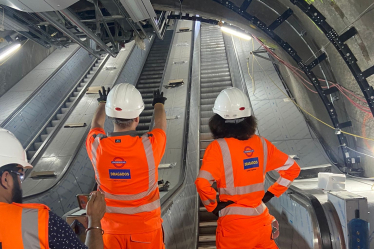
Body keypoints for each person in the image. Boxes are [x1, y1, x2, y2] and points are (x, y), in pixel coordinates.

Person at [195, 87, 301, 249]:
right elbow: (293, 168)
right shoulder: (261, 143)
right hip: (262, 221)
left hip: (235, 227)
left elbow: (202, 183)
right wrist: (271, 193)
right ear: (249, 119)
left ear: (217, 120)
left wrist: (213, 207)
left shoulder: (218, 148)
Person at [86, 83, 167, 249]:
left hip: (109, 234)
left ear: (110, 116)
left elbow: (96, 124)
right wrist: (159, 103)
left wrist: (102, 103)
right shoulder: (149, 147)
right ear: (137, 118)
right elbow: (160, 125)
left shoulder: (97, 147)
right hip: (146, 232)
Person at [0, 128, 106, 249]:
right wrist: (94, 220)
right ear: (6, 179)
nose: (20, 182)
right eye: (20, 174)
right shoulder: (42, 222)